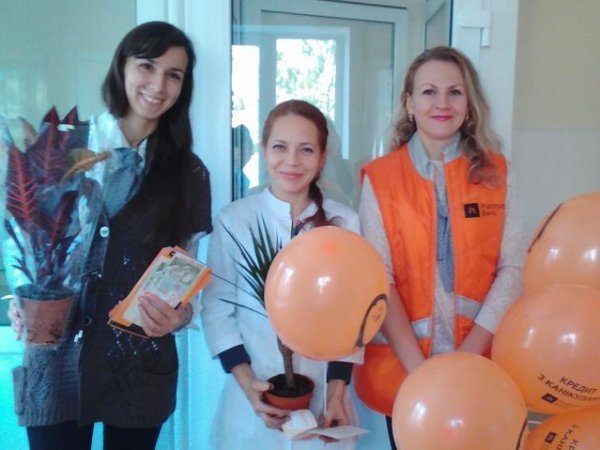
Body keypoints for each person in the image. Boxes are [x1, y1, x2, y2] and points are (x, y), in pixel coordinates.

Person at [7, 21, 211, 450]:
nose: (158, 85)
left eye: (174, 75)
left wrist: (180, 317)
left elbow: (185, 270)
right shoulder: (62, 147)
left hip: (137, 359)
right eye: (147, 66)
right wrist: (22, 300)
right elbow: (24, 236)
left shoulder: (188, 173)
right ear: (122, 67)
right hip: (56, 355)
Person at [355, 46, 524, 449]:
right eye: (429, 92)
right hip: (405, 370)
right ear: (409, 103)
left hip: (480, 364)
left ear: (469, 104)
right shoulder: (380, 179)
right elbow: (379, 279)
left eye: (455, 92)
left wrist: (465, 361)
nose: (442, 103)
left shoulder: (499, 174)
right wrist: (423, 374)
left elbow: (513, 269)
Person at [200, 99, 362, 450]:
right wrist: (249, 387)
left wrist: (337, 390)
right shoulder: (234, 221)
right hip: (250, 406)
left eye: (306, 149)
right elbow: (217, 310)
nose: (292, 161)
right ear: (263, 150)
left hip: (324, 406)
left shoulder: (344, 223)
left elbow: (354, 315)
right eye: (280, 147)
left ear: (323, 157)